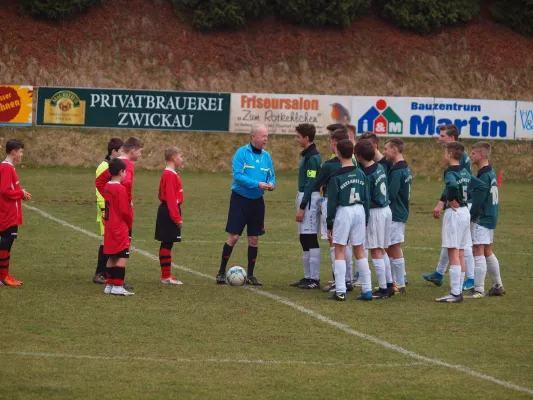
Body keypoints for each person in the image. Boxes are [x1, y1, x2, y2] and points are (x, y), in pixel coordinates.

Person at [216, 124, 275, 286]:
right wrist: (257, 184)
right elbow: (238, 176)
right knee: (234, 236)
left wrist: (271, 184)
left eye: (267, 136)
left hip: (257, 202)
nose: (266, 139)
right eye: (263, 136)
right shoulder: (241, 153)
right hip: (240, 200)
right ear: (253, 137)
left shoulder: (266, 157)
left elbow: (272, 176)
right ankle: (221, 271)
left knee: (254, 239)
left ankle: (250, 275)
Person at [424, 124, 475, 290]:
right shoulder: (460, 157)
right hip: (462, 202)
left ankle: (470, 278)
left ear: (451, 139)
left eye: (442, 136)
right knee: (454, 242)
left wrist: (445, 200)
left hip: (461, 203)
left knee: (461, 245)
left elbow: (456, 183)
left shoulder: (461, 161)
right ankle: (439, 273)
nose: (439, 138)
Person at [436, 142, 485, 303]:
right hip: (465, 212)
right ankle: (458, 291)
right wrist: (466, 197)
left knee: (453, 252)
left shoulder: (450, 172)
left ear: (450, 155)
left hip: (455, 214)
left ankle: (455, 292)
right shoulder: (465, 171)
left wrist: (450, 199)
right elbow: (481, 185)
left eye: (445, 153)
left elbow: (451, 185)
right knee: (462, 253)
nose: (444, 155)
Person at [326, 139, 370, 301]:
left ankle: (340, 291)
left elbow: (331, 202)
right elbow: (366, 197)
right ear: (352, 153)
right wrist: (366, 219)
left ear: (337, 152)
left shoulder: (336, 176)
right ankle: (367, 289)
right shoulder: (360, 173)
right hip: (359, 210)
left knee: (339, 249)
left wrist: (329, 223)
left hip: (344, 211)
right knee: (359, 250)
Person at [96, 136, 142, 289]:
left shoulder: (114, 163)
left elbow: (100, 182)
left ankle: (112, 283)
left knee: (113, 250)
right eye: (140, 151)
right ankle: (117, 284)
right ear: (133, 150)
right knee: (122, 251)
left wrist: (109, 196)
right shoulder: (126, 165)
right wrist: (125, 199)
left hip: (112, 215)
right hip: (121, 217)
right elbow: (127, 182)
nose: (140, 155)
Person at [314, 128, 354, 293]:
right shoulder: (354, 162)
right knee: (347, 244)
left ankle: (340, 281)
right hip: (351, 206)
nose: (329, 144)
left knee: (334, 244)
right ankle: (349, 279)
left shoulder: (330, 165)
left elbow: (316, 183)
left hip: (333, 203)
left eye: (330, 141)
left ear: (336, 144)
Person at [464, 142, 505, 298]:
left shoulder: (484, 175)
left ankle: (478, 290)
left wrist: (470, 216)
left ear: (481, 155)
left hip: (482, 217)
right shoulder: (490, 172)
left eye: (473, 153)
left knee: (478, 250)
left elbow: (479, 200)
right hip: (491, 215)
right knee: (487, 250)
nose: (471, 156)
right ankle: (497, 286)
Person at [355, 139, 393, 299]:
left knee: (375, 250)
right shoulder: (380, 167)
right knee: (383, 249)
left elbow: (366, 197)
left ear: (358, 156)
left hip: (376, 211)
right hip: (386, 210)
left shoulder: (366, 175)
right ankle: (389, 283)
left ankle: (383, 288)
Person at [290, 123, 322, 290]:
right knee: (304, 238)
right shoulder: (308, 155)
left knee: (310, 238)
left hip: (309, 199)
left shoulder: (313, 157)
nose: (297, 139)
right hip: (304, 197)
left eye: (298, 136)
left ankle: (314, 279)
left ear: (306, 138)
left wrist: (303, 206)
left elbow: (311, 182)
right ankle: (307, 276)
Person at [0, 139, 32, 287]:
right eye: (20, 151)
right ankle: (2, 276)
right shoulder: (7, 168)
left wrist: (20, 193)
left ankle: (4, 274)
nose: (21, 154)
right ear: (13, 152)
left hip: (10, 213)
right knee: (6, 243)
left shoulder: (9, 167)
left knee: (7, 244)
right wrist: (20, 193)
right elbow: (5, 191)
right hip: (8, 214)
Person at [93, 138, 123, 284]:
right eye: (121, 151)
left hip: (110, 209)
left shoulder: (112, 165)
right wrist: (104, 208)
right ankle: (100, 273)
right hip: (106, 210)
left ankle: (104, 273)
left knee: (109, 241)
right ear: (114, 151)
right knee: (107, 241)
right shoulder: (104, 167)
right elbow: (100, 190)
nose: (123, 154)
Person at [384, 138, 412, 294]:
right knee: (391, 247)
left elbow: (391, 193)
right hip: (401, 211)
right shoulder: (405, 167)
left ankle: (399, 283)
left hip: (395, 213)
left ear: (394, 149)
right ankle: (394, 281)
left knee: (393, 246)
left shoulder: (396, 171)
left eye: (386, 148)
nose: (384, 152)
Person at [103, 159, 134, 296]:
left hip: (109, 226)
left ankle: (109, 285)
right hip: (119, 227)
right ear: (121, 172)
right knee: (123, 255)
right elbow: (124, 211)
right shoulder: (120, 189)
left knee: (112, 256)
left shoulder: (107, 186)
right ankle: (118, 286)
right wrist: (129, 223)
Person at [155, 147, 185, 286]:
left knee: (168, 242)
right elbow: (171, 198)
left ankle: (166, 275)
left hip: (167, 209)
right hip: (169, 210)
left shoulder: (169, 173)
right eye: (180, 156)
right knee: (167, 242)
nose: (181, 159)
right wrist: (176, 217)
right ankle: (166, 276)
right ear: (174, 158)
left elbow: (160, 194)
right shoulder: (170, 174)